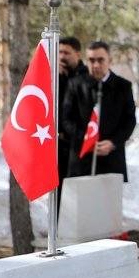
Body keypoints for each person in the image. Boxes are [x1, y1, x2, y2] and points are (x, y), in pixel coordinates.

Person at [63, 41, 136, 180]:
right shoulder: (75, 85)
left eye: (100, 60)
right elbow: (67, 120)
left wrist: (113, 142)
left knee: (108, 201)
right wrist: (85, 140)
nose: (96, 65)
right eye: (91, 60)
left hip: (111, 161)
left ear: (110, 61)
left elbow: (129, 121)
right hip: (81, 161)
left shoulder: (123, 87)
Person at [57, 37, 89, 187]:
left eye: (66, 53)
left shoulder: (87, 78)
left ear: (77, 54)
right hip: (58, 146)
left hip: (78, 145)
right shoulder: (56, 77)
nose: (62, 56)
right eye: (60, 52)